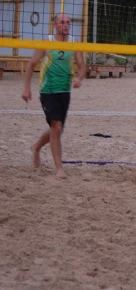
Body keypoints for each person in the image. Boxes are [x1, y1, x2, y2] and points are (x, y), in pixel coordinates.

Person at [21, 13, 86, 180]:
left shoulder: (74, 43)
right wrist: (27, 88)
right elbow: (31, 64)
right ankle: (59, 168)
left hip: (64, 91)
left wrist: (78, 78)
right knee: (56, 126)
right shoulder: (47, 42)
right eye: (62, 22)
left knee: (57, 129)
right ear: (55, 25)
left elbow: (82, 67)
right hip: (47, 90)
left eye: (68, 22)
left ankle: (36, 147)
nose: (66, 25)